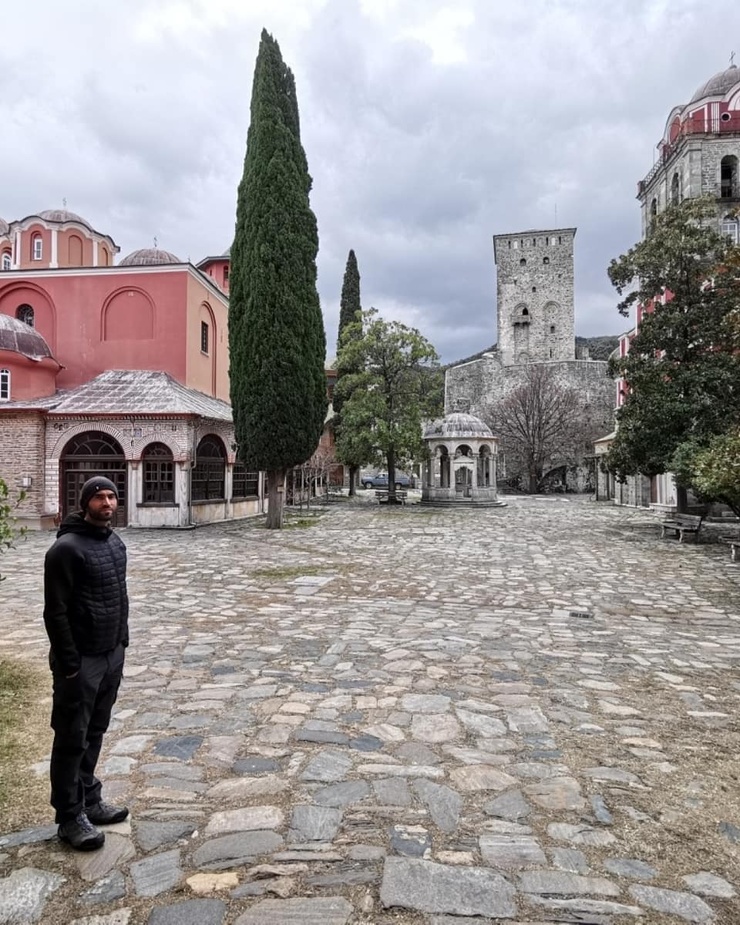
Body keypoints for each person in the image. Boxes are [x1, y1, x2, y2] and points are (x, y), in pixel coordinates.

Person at [43, 476, 130, 851]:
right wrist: (69, 663)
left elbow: (120, 595)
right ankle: (69, 816)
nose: (107, 503)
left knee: (95, 730)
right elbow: (55, 612)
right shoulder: (65, 549)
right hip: (80, 662)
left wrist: (122, 642)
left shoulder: (114, 542)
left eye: (112, 496)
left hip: (110, 654)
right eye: (99, 498)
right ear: (85, 503)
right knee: (71, 737)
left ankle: (89, 799)